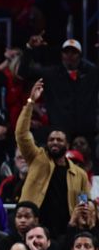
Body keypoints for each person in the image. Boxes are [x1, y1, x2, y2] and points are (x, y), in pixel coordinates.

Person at [16, 79, 89, 241]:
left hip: (66, 231)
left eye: (59, 140)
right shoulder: (37, 157)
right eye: (51, 139)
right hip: (35, 229)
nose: (54, 142)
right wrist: (30, 102)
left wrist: (84, 218)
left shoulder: (80, 174)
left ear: (67, 145)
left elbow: (83, 201)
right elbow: (21, 134)